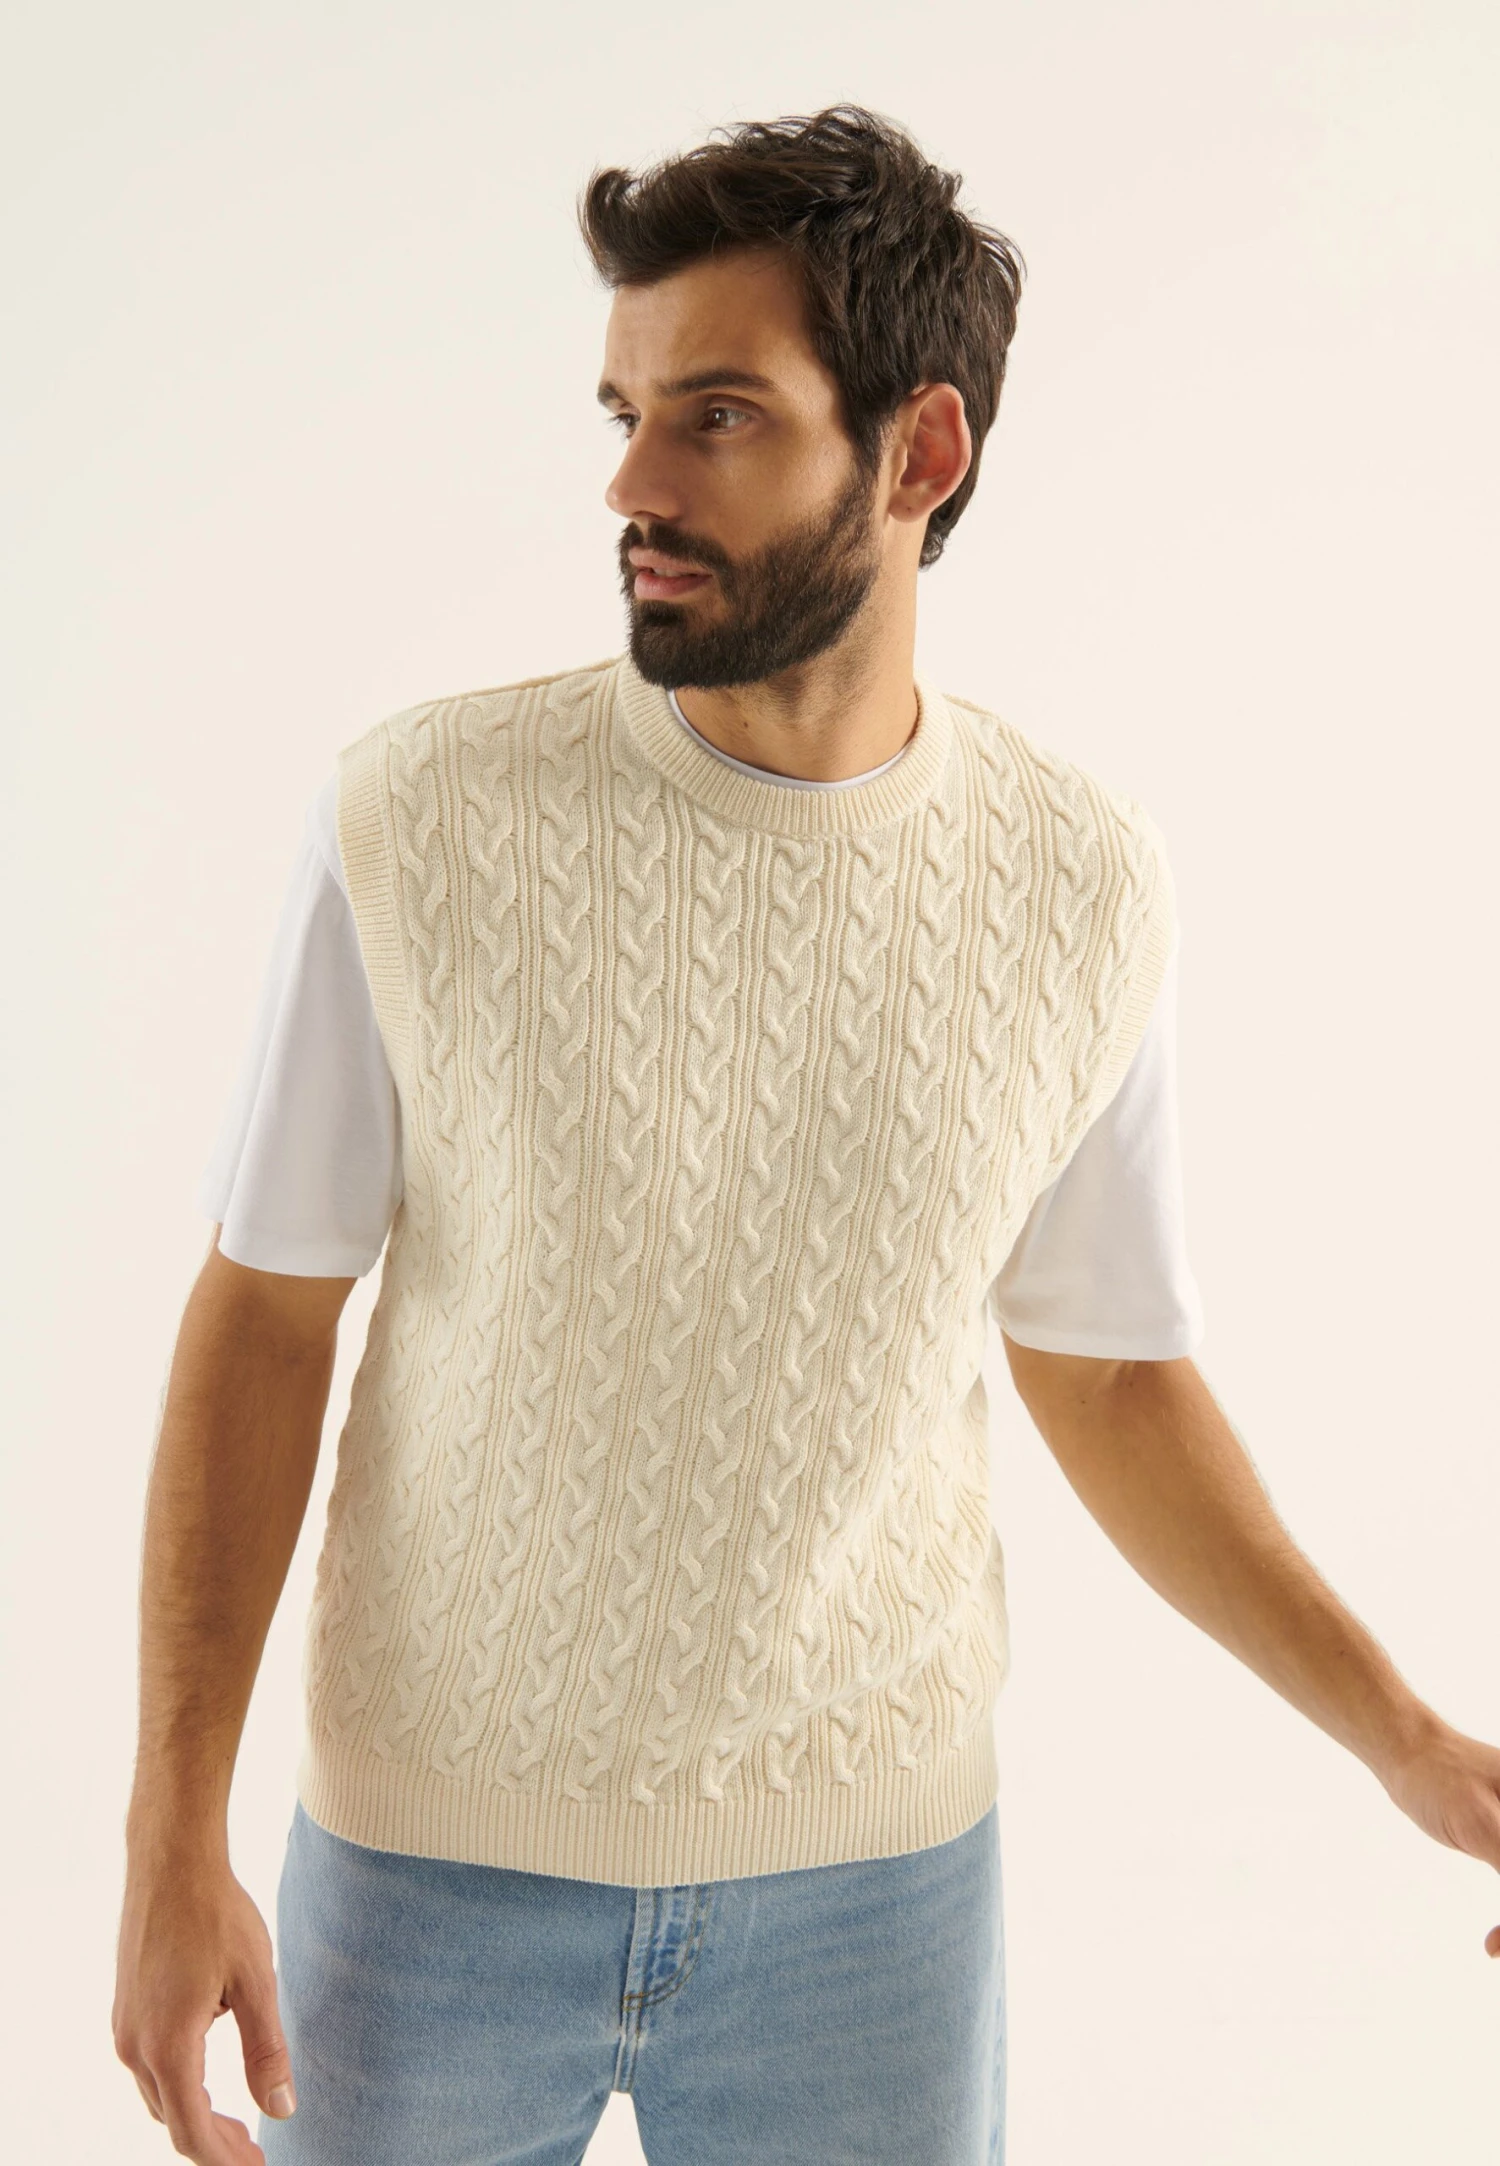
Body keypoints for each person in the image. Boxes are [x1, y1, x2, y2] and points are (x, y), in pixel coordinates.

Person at [113, 102, 1500, 2166]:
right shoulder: (418, 822)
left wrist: (1408, 1744)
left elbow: (1113, 1373)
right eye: (628, 415)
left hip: (877, 1908)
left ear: (919, 453)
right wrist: (170, 1832)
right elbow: (264, 1313)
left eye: (718, 417)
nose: (632, 484)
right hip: (423, 1883)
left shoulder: (1078, 884)